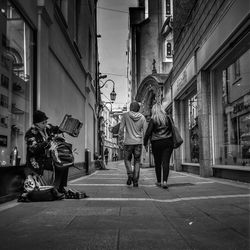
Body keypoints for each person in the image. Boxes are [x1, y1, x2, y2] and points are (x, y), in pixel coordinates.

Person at [25, 110, 69, 197]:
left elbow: (58, 129)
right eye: (43, 123)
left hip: (48, 157)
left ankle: (61, 187)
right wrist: (47, 142)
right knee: (57, 164)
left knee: (64, 162)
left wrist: (66, 122)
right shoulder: (30, 134)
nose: (45, 124)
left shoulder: (47, 128)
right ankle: (54, 190)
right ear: (36, 124)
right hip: (37, 160)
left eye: (46, 122)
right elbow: (34, 149)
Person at [143, 103, 174, 189]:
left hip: (156, 143)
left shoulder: (153, 120)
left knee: (158, 163)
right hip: (168, 142)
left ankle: (159, 181)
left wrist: (145, 143)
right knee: (166, 162)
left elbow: (148, 132)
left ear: (154, 110)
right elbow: (173, 129)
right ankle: (165, 181)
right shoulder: (168, 118)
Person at [118, 101, 147, 187]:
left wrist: (120, 140)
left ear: (130, 107)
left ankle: (130, 174)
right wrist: (145, 142)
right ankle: (135, 181)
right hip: (138, 142)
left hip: (128, 142)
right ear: (138, 108)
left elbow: (121, 129)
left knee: (127, 159)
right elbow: (145, 131)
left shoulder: (125, 115)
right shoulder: (142, 117)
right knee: (137, 161)